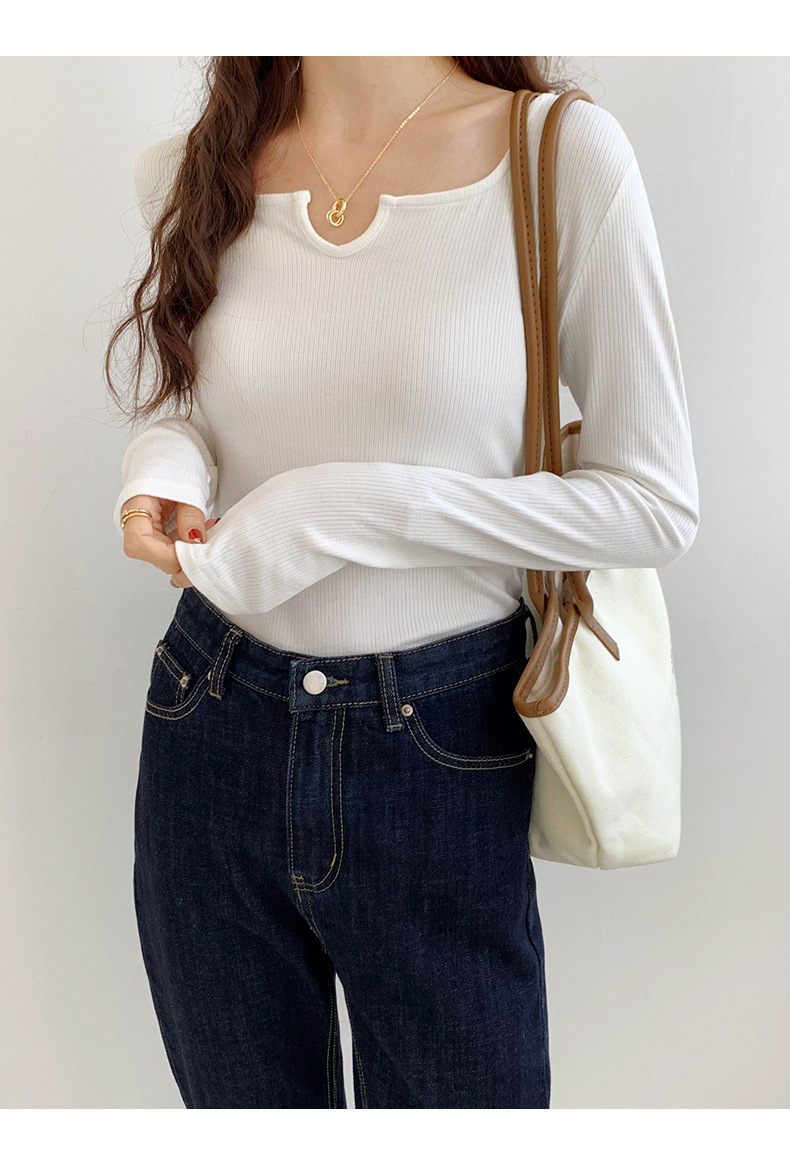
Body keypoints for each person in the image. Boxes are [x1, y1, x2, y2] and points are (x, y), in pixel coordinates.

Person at [107, 56, 699, 1109]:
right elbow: (192, 403)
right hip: (210, 718)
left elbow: (652, 503)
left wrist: (354, 509)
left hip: (439, 739)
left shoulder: (555, 155)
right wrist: (159, 474)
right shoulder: (192, 166)